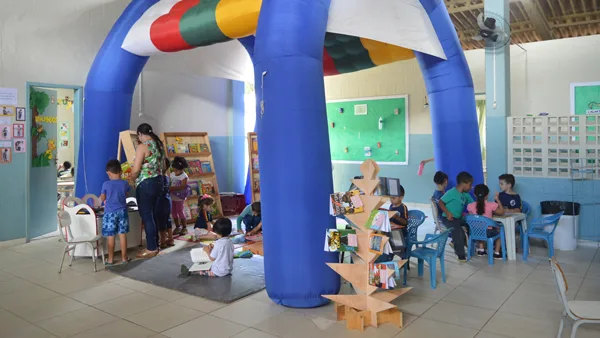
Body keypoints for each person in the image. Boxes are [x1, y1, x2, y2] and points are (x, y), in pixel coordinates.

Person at [129, 123, 165, 259]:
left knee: (147, 216)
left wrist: (132, 179)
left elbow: (136, 168)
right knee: (154, 214)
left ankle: (151, 248)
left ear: (140, 134)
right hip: (159, 182)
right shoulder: (159, 145)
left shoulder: (142, 147)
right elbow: (164, 165)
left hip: (146, 184)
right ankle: (156, 244)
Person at [99, 160, 131, 265]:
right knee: (122, 235)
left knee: (111, 236)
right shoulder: (125, 183)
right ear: (121, 171)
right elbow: (126, 195)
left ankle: (111, 259)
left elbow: (102, 198)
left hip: (110, 214)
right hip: (122, 212)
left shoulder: (106, 184)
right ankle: (124, 258)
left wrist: (100, 198)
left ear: (108, 173)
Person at [438, 171, 474, 261]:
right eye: (470, 184)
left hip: (458, 218)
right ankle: (460, 254)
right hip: (448, 218)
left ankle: (457, 242)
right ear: (464, 184)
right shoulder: (452, 192)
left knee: (471, 224)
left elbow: (473, 204)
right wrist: (447, 212)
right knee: (458, 231)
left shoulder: (466, 195)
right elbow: (440, 202)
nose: (471, 187)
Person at [467, 184, 505, 259]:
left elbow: (472, 218)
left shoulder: (470, 206)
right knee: (499, 231)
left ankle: (481, 250)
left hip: (475, 231)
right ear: (487, 195)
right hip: (488, 232)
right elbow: (502, 212)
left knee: (480, 228)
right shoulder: (491, 205)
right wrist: (497, 199)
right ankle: (497, 253)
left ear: (475, 194)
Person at [375, 185, 408, 263]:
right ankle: (380, 257)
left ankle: (386, 259)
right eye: (390, 198)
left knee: (386, 243)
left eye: (394, 198)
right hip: (391, 230)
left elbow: (405, 222)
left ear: (401, 197)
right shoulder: (391, 206)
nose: (391, 200)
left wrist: (396, 217)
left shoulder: (403, 207)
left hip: (400, 233)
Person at [170, 156, 190, 236]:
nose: (175, 172)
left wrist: (172, 188)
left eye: (177, 170)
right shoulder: (172, 174)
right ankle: (177, 227)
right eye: (174, 170)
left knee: (180, 211)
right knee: (173, 212)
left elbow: (182, 186)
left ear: (182, 169)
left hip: (179, 197)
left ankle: (184, 227)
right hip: (172, 196)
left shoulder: (184, 176)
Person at [157, 157, 174, 249]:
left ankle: (163, 241)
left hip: (160, 201)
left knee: (161, 221)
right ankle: (171, 239)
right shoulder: (167, 177)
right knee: (167, 219)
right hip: (168, 200)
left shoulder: (158, 178)